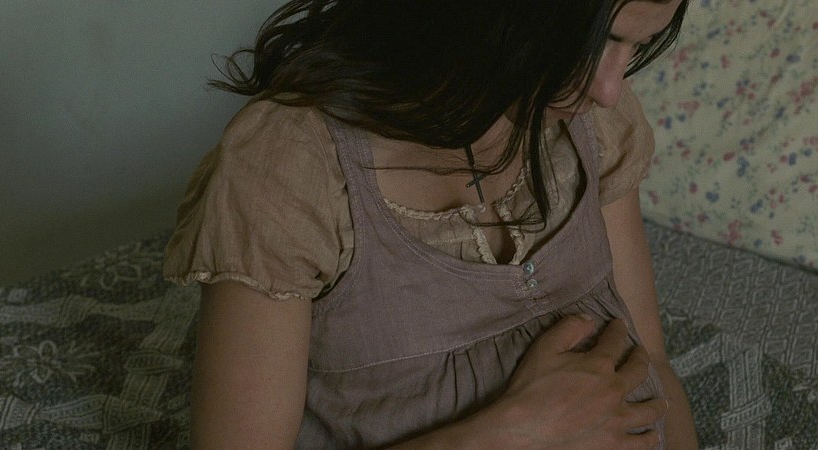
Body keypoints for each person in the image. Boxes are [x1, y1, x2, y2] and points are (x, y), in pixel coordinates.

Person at [163, 0, 699, 447]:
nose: (609, 90)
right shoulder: (290, 164)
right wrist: (514, 432)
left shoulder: (592, 123)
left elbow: (652, 361)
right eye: (597, 41)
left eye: (638, 45)